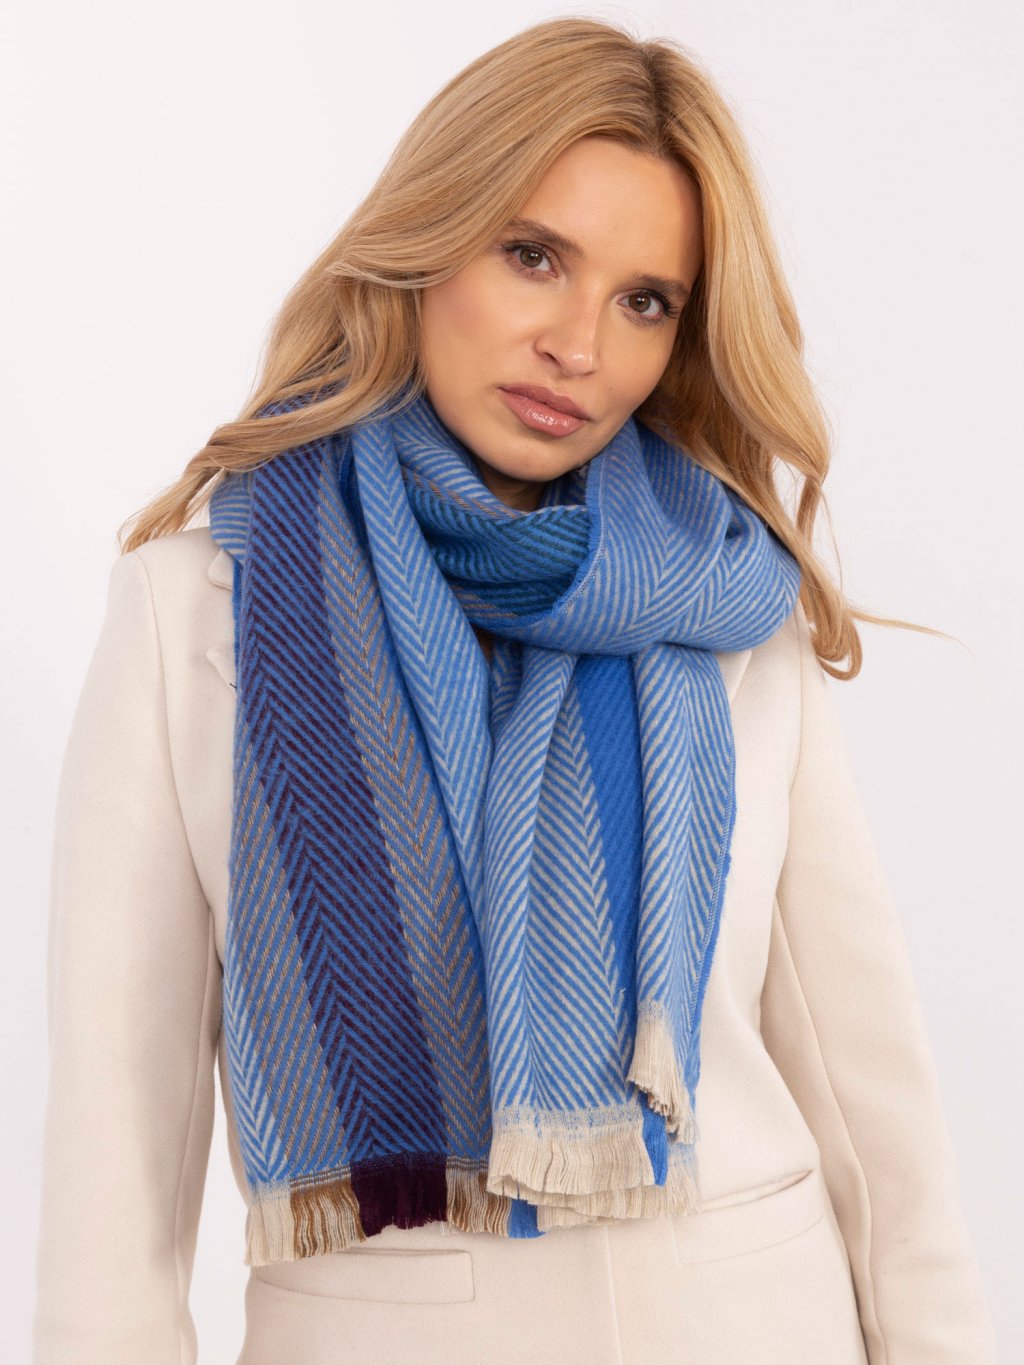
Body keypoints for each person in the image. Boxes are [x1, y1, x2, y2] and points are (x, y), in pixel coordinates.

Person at [31, 15, 997, 1365]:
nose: (578, 344)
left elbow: (866, 1079)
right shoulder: (198, 613)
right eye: (534, 256)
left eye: (645, 300)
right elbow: (119, 1140)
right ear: (428, 243)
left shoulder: (723, 601)